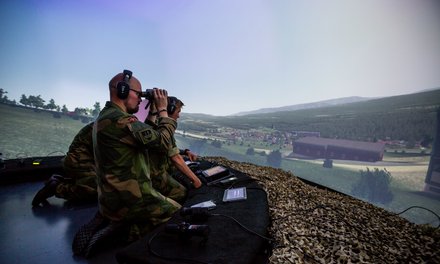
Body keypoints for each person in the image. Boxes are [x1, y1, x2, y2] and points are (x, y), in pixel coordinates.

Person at [82, 70, 181, 246]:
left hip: (111, 198)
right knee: (178, 213)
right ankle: (127, 231)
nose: (141, 99)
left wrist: (152, 113)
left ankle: (119, 221)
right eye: (138, 93)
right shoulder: (121, 121)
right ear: (123, 90)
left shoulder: (106, 118)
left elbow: (144, 138)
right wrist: (163, 110)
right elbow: (162, 142)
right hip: (132, 199)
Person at [32, 122, 97, 207]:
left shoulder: (110, 120)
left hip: (84, 160)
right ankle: (57, 188)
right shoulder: (112, 124)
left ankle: (68, 181)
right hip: (80, 161)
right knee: (96, 191)